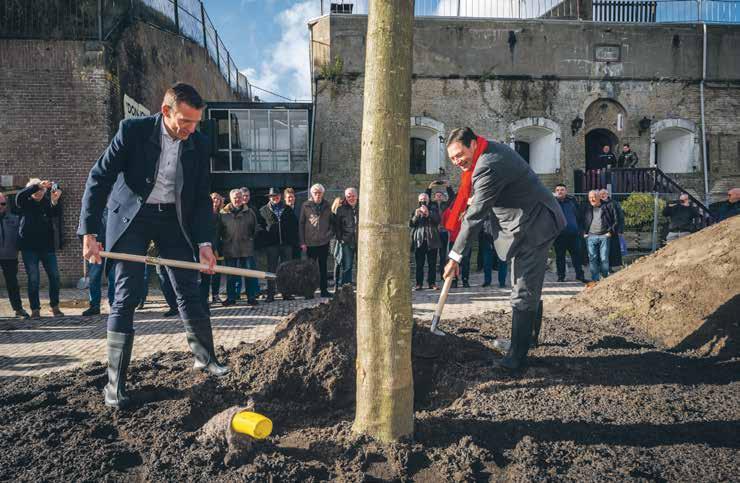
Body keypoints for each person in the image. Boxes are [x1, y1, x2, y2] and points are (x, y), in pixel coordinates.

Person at [78, 83, 229, 409]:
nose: (190, 129)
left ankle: (205, 358)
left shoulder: (199, 144)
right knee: (127, 293)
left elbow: (201, 198)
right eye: (184, 122)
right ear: (165, 112)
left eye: (195, 123)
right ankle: (115, 385)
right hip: (132, 216)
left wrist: (205, 243)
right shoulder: (132, 131)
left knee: (189, 288)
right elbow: (98, 178)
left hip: (172, 220)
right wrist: (90, 233)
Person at [442, 127, 565, 371]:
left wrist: (454, 257)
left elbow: (476, 216)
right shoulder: (487, 153)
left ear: (473, 144)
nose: (457, 162)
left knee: (522, 288)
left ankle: (516, 358)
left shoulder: (488, 164)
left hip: (535, 225)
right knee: (523, 284)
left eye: (459, 155)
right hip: (525, 222)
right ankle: (525, 340)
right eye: (452, 158)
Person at [16, 179, 64, 319]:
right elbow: (19, 196)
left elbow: (55, 213)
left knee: (55, 277)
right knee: (33, 279)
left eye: (41, 190)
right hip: (29, 248)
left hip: (47, 247)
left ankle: (55, 306)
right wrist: (36, 185)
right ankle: (35, 309)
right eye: (36, 190)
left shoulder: (46, 202)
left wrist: (55, 200)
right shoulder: (25, 202)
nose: (39, 192)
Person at [218, 188, 260, 306]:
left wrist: (249, 238)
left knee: (249, 274)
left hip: (246, 248)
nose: (237, 199)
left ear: (243, 198)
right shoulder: (223, 213)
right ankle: (231, 298)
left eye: (239, 197)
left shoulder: (250, 212)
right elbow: (219, 231)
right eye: (235, 197)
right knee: (231, 275)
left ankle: (251, 297)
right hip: (230, 248)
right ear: (231, 199)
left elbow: (255, 228)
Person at [259, 187, 299, 302]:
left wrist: (292, 241)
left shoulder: (287, 209)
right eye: (272, 196)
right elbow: (260, 228)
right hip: (272, 245)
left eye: (276, 195)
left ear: (280, 196)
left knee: (287, 269)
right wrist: (265, 240)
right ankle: (270, 294)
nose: (274, 198)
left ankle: (286, 293)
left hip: (286, 244)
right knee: (271, 270)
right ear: (269, 197)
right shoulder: (263, 210)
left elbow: (294, 226)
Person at [299, 183, 334, 298]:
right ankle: (309, 291)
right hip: (310, 242)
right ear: (311, 194)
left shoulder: (328, 205)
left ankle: (324, 290)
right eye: (315, 193)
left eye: (319, 193)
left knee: (323, 267)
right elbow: (301, 224)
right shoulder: (305, 206)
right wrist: (303, 242)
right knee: (310, 268)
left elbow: (332, 223)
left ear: (323, 194)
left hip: (323, 242)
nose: (318, 195)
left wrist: (328, 235)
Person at [0, 192, 29, 319]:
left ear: (6, 205)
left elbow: (20, 235)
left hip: (10, 256)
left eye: (2, 203)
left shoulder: (14, 219)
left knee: (12, 284)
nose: (0, 206)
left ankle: (18, 309)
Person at [553, 184, 586, 283]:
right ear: (555, 192)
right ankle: (561, 277)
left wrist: (580, 230)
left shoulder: (572, 201)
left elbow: (579, 216)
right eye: (558, 190)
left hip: (573, 234)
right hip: (559, 236)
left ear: (566, 191)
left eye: (562, 190)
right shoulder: (553, 203)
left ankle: (580, 276)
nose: (560, 191)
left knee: (576, 256)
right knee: (560, 257)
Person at [582, 190, 617, 282]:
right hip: (590, 236)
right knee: (592, 258)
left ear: (599, 197)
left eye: (594, 197)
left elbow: (615, 220)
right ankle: (595, 279)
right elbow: (580, 219)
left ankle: (604, 277)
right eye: (590, 197)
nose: (592, 199)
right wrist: (584, 232)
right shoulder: (586, 207)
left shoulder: (607, 206)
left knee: (604, 258)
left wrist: (610, 232)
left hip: (604, 236)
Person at [410, 192, 441, 290]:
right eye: (421, 199)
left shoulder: (434, 209)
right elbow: (411, 224)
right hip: (419, 241)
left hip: (432, 240)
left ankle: (432, 283)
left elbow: (438, 220)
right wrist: (416, 216)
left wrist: (428, 213)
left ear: (428, 200)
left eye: (425, 198)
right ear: (419, 200)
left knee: (432, 264)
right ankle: (419, 284)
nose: (423, 200)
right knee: (419, 264)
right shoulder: (415, 210)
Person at [426, 181, 456, 278]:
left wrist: (448, 186)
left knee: (443, 253)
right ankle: (433, 275)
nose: (438, 197)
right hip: (434, 232)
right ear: (434, 197)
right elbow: (426, 197)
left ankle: (443, 273)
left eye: (440, 195)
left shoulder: (445, 204)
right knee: (434, 254)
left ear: (443, 197)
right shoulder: (431, 205)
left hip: (443, 231)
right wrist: (430, 187)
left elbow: (452, 197)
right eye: (437, 195)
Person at [82, 208, 108, 316]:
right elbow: (84, 228)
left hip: (112, 246)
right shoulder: (93, 208)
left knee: (113, 276)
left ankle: (114, 304)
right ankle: (94, 306)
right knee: (94, 277)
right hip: (95, 246)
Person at [334, 187, 358, 286]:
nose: (351, 198)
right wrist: (341, 239)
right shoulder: (341, 209)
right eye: (349, 196)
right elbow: (337, 226)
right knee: (347, 265)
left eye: (353, 196)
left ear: (357, 196)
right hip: (347, 241)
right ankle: (346, 286)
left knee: (362, 264)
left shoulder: (364, 206)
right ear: (346, 197)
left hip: (362, 241)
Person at [599, 189, 624, 270]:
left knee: (611, 250)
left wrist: (619, 230)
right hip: (600, 231)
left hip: (612, 230)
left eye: (604, 194)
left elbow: (620, 217)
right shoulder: (597, 204)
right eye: (601, 194)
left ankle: (609, 267)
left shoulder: (614, 203)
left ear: (607, 194)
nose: (603, 195)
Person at [209, 192, 224, 304]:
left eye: (217, 199)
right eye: (213, 199)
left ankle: (215, 294)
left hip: (218, 246)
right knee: (204, 272)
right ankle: (204, 295)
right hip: (206, 246)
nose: (215, 201)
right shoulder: (205, 213)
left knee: (217, 272)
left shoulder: (222, 214)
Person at [283, 187, 301, 259]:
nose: (291, 199)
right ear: (285, 198)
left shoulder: (300, 209)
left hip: (297, 242)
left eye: (292, 197)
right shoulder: (281, 210)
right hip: (285, 243)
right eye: (289, 197)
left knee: (297, 263)